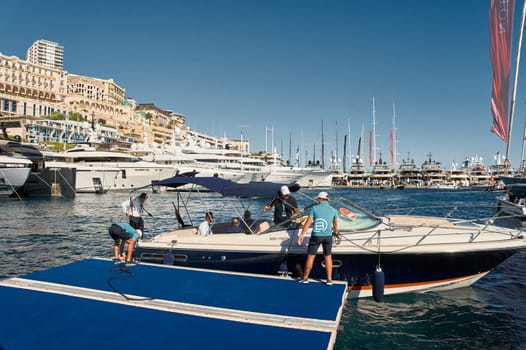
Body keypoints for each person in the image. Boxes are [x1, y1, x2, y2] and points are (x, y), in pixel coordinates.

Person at [297, 191, 338, 286]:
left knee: (311, 256)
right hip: (328, 236)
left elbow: (308, 223)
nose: (317, 201)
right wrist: (335, 232)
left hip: (316, 236)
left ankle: (305, 278)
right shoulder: (333, 210)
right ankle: (329, 280)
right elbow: (335, 223)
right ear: (327, 199)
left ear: (320, 199)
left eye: (317, 199)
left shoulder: (314, 208)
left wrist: (302, 234)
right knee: (328, 257)